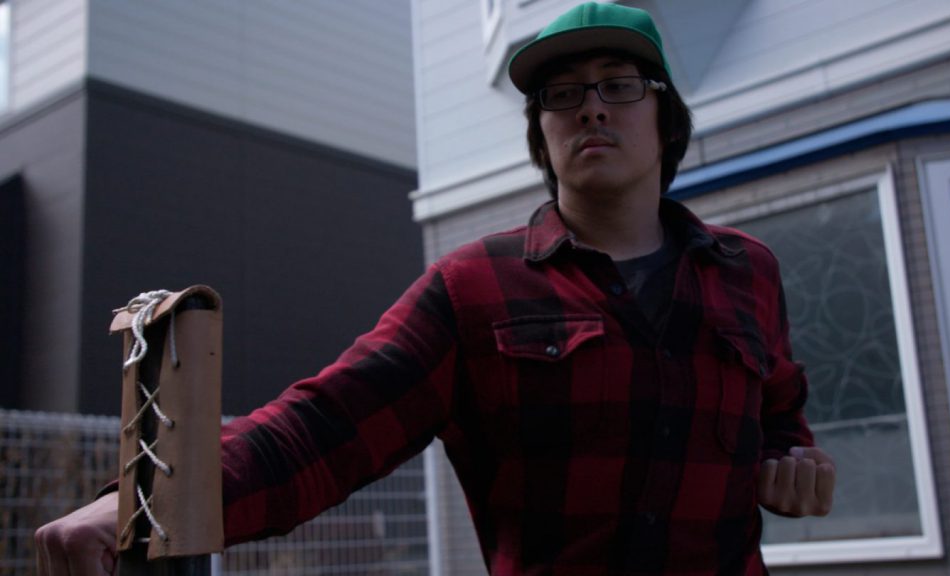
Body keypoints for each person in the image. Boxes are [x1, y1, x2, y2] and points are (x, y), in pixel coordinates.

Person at [36, 3, 835, 574]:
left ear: (666, 118)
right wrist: (146, 502)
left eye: (619, 84)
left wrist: (793, 463)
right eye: (562, 94)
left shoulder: (747, 272)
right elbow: (324, 425)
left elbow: (780, 414)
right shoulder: (474, 287)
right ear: (542, 134)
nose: (591, 107)